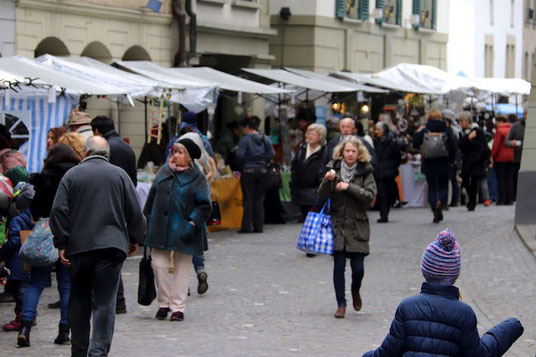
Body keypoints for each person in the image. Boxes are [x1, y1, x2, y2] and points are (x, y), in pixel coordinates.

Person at [49, 136, 145, 357]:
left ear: (84, 153)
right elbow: (135, 213)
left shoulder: (71, 175)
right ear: (107, 155)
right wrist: (133, 238)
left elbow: (58, 211)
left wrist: (62, 242)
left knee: (79, 299)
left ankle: (79, 350)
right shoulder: (119, 175)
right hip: (111, 247)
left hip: (79, 247)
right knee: (104, 302)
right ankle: (98, 352)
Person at [363, 229, 524, 356]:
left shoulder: (407, 307)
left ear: (425, 269)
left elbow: (388, 352)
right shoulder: (464, 313)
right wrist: (509, 328)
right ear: (455, 274)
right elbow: (479, 354)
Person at [17, 143, 80, 347]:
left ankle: (25, 327)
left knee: (35, 282)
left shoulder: (43, 177)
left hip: (46, 233)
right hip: (70, 234)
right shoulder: (77, 175)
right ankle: (64, 330)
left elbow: (34, 209)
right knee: (66, 285)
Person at [144, 138, 211, 321]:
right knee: (158, 265)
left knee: (182, 269)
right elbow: (152, 197)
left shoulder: (197, 177)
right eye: (174, 152)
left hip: (184, 227)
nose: (176, 156)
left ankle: (178, 307)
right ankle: (164, 303)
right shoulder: (165, 171)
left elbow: (205, 205)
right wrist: (147, 220)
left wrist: (192, 222)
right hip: (159, 226)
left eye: (180, 153)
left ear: (189, 157)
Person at [318, 136, 376, 319]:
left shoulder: (366, 171)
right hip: (338, 224)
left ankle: (355, 289)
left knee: (358, 269)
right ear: (341, 152)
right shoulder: (332, 169)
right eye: (347, 151)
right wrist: (328, 182)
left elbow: (369, 197)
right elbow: (320, 197)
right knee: (339, 266)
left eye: (353, 151)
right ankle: (341, 304)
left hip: (358, 225)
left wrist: (349, 187)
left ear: (359, 154)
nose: (350, 154)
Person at [90, 115, 138, 313]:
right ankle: (118, 301)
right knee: (114, 254)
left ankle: (115, 301)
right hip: (123, 205)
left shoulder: (106, 148)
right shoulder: (126, 146)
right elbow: (132, 181)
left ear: (97, 132)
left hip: (108, 206)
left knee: (107, 255)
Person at [180, 131, 217, 295]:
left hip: (183, 209)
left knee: (181, 246)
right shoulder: (204, 160)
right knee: (196, 243)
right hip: (200, 211)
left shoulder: (182, 164)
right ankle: (200, 269)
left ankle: (184, 282)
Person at [413, 109, 455, 223]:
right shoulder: (445, 128)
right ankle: (441, 202)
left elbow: (415, 144)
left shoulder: (425, 128)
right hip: (443, 161)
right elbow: (452, 145)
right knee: (443, 186)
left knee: (431, 188)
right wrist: (452, 160)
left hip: (429, 161)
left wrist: (417, 132)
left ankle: (434, 209)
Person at [235, 116, 275, 234]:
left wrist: (242, 166)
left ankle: (247, 226)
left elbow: (240, 156)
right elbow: (271, 153)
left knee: (248, 199)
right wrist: (263, 161)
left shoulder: (245, 140)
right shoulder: (265, 138)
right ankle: (259, 226)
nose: (243, 130)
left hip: (248, 170)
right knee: (259, 199)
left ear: (247, 128)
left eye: (243, 128)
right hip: (262, 170)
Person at [0, 206, 31, 332]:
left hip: (17, 261)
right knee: (24, 289)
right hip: (26, 259)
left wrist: (2, 252)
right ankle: (27, 315)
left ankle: (23, 318)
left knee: (20, 291)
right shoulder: (31, 218)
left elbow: (13, 241)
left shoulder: (16, 220)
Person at [290, 124, 327, 222]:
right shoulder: (301, 150)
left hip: (315, 190)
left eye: (313, 135)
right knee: (306, 218)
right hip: (301, 190)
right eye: (309, 134)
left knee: (314, 220)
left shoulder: (324, 152)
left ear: (320, 137)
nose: (310, 136)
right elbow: (294, 167)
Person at [458, 111, 490, 211]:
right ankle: (472, 200)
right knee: (465, 181)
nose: (460, 123)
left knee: (475, 182)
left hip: (476, 162)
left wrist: (484, 159)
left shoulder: (478, 130)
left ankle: (472, 202)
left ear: (468, 121)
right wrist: (468, 137)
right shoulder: (462, 132)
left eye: (462, 121)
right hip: (467, 161)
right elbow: (461, 145)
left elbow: (484, 146)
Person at [373, 122, 401, 223]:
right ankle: (383, 215)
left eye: (378, 130)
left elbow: (397, 157)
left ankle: (385, 212)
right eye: (376, 129)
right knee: (381, 193)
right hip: (379, 171)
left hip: (389, 171)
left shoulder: (392, 142)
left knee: (388, 193)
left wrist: (394, 167)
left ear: (384, 131)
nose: (376, 132)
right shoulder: (375, 142)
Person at [491, 115, 514, 205]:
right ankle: (510, 199)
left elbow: (496, 146)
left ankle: (501, 199)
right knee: (509, 178)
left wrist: (493, 156)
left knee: (501, 179)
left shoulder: (499, 130)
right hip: (511, 157)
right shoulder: (512, 129)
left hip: (500, 158)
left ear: (499, 121)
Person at [442, 109, 461, 207]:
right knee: (453, 180)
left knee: (452, 180)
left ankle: (452, 200)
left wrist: (452, 160)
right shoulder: (453, 131)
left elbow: (453, 147)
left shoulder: (449, 132)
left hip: (450, 160)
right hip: (452, 159)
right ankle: (454, 200)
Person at [506, 110, 526, 199]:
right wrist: (512, 143)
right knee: (516, 179)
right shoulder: (515, 127)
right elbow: (507, 141)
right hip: (518, 158)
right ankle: (517, 197)